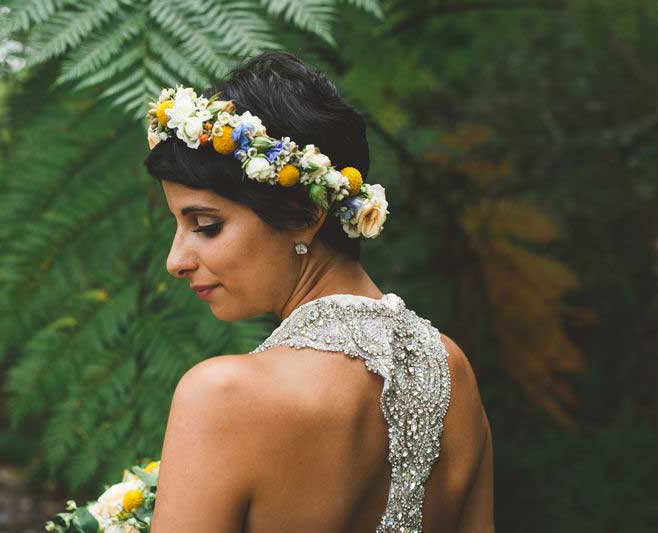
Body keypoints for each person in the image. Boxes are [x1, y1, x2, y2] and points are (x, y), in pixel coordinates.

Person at [143, 50, 493, 533]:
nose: (175, 260)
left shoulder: (222, 396)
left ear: (307, 215)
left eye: (205, 225)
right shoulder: (454, 372)